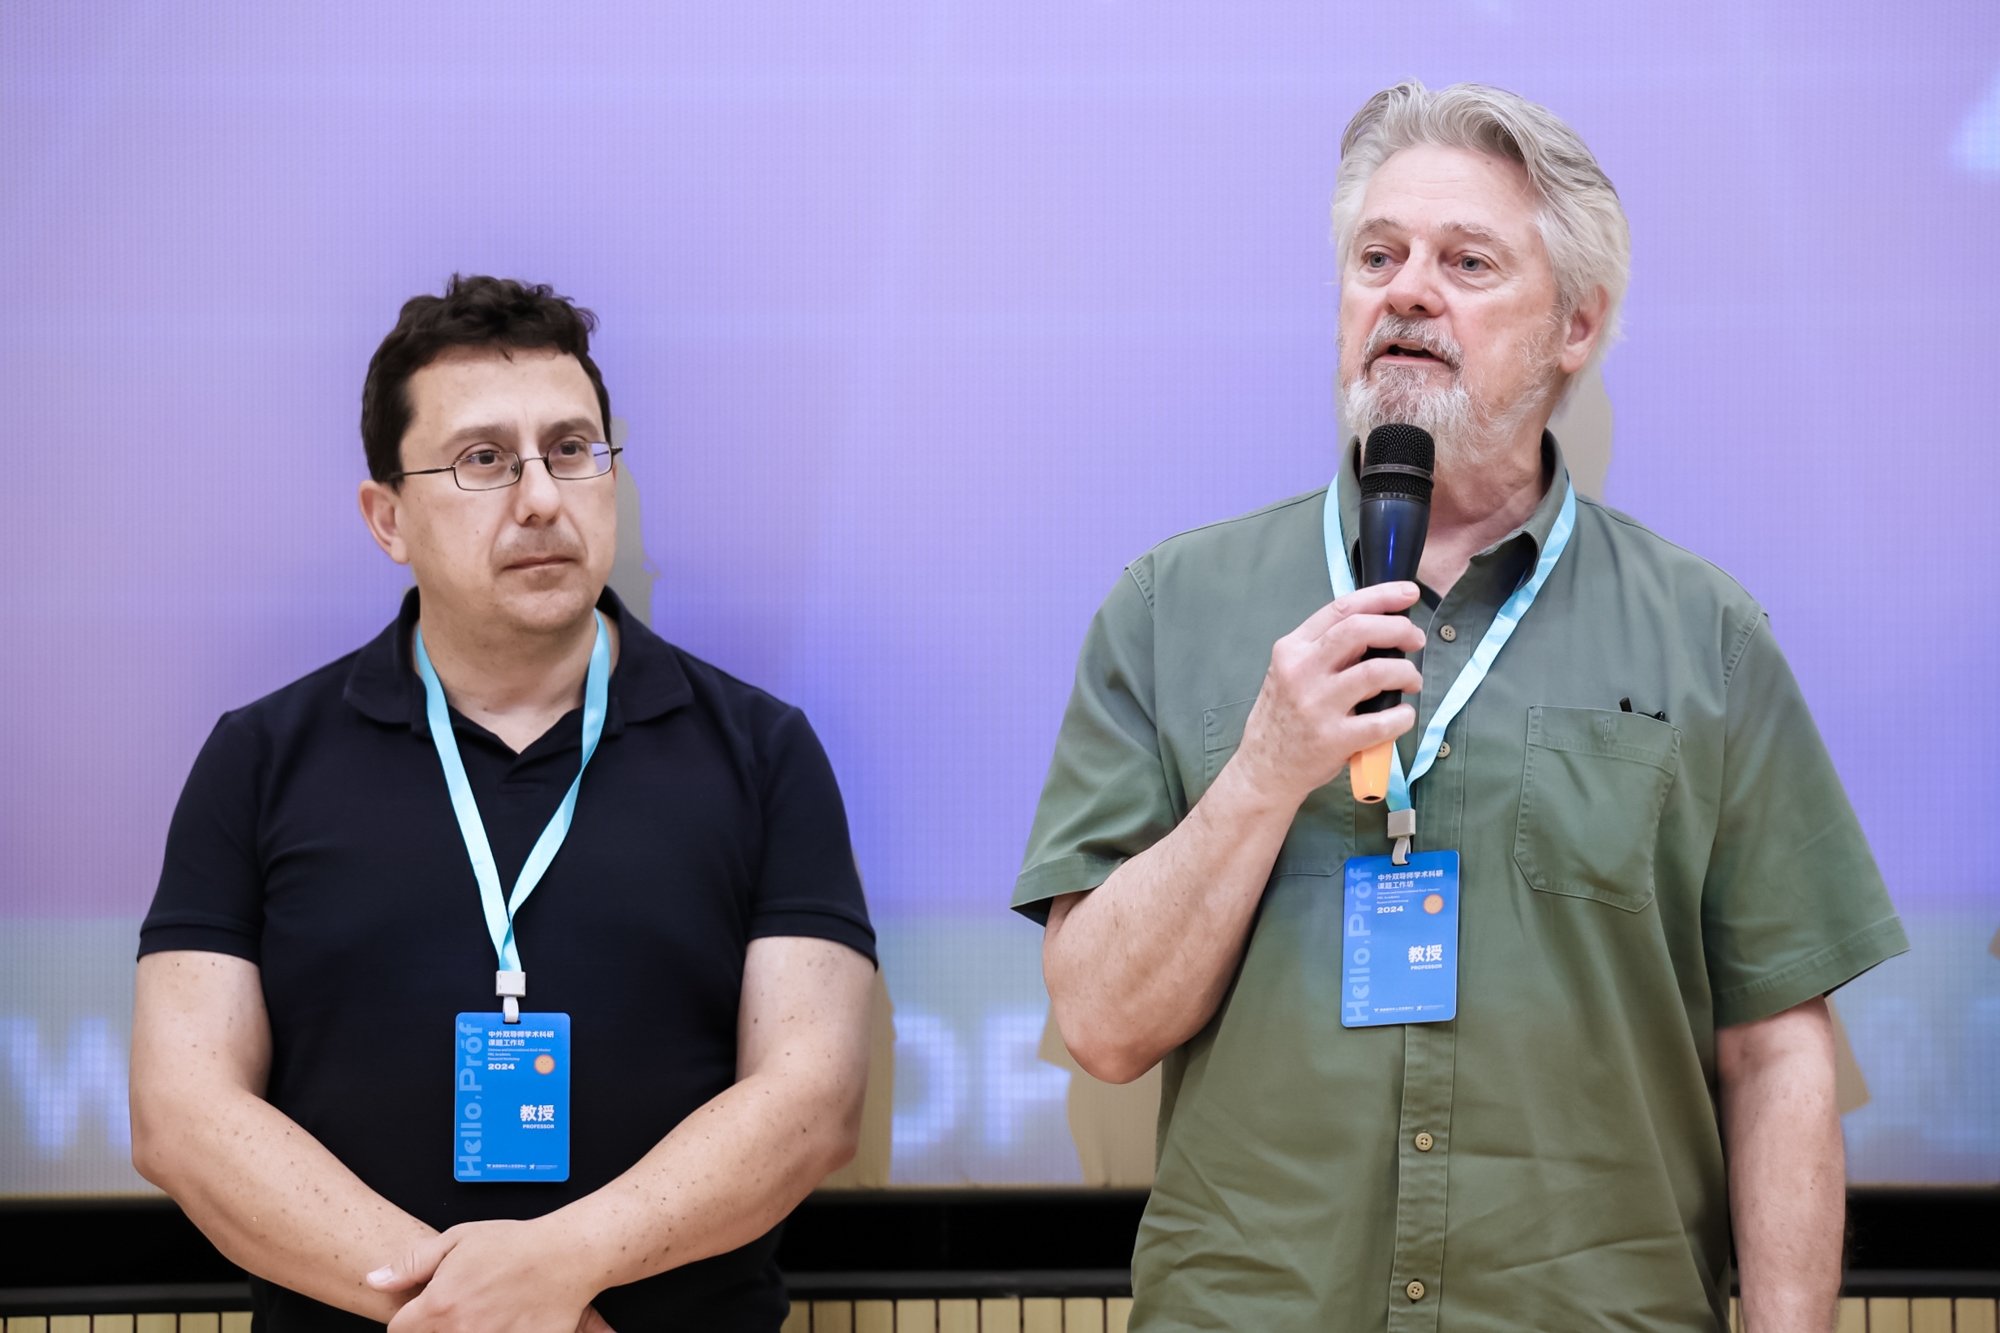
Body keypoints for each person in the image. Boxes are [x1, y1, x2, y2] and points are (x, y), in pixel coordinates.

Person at [1016, 82, 1906, 1333]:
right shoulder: (1170, 608)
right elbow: (1103, 1027)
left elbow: (1775, 1056)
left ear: (1575, 326)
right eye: (1375, 256)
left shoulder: (1705, 637)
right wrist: (1261, 772)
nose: (1405, 292)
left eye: (1465, 262)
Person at [130, 276, 877, 1333]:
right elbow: (183, 1111)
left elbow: (812, 1099)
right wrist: (471, 1311)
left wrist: (561, 1266)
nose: (540, 498)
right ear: (388, 517)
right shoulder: (258, 759)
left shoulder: (762, 751)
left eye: (571, 449)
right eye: (483, 459)